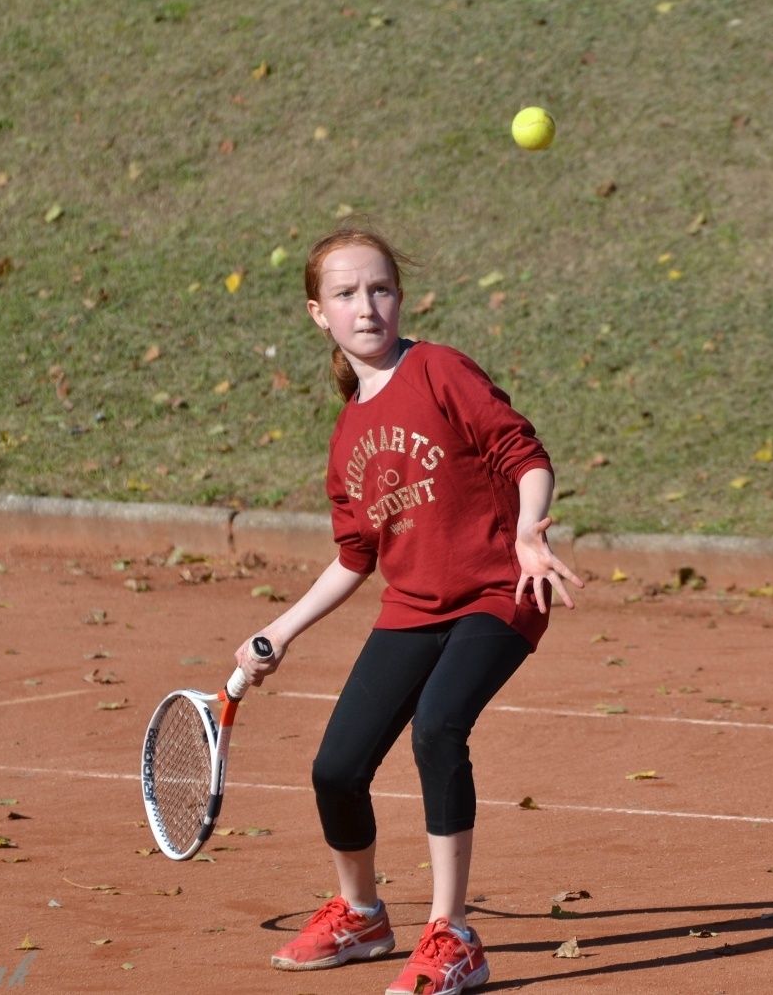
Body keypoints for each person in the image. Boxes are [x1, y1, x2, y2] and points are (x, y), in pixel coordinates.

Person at [234, 225, 582, 994]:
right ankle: (362, 915)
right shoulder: (346, 435)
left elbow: (525, 455)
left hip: (500, 590)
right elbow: (355, 556)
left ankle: (453, 935)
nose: (366, 307)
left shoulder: (439, 370)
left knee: (438, 726)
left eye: (380, 289)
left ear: (400, 298)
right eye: (346, 294)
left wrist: (528, 531)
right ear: (318, 313)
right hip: (415, 605)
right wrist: (278, 631)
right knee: (336, 768)